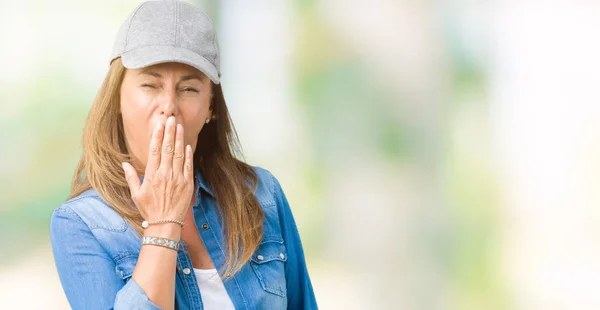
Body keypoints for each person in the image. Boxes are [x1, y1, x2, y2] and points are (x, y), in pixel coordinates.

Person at [49, 1, 317, 309]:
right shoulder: (81, 223)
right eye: (150, 85)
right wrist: (164, 224)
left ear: (211, 108)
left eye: (188, 89)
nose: (168, 105)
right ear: (117, 98)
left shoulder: (262, 193)